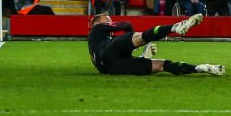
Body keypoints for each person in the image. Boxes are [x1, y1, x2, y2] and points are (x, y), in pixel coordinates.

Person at [88, 13, 223, 76]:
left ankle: (200, 68)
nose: (110, 23)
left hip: (110, 69)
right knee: (141, 36)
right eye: (108, 22)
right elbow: (126, 25)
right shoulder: (97, 29)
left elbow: (118, 58)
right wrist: (133, 38)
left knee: (161, 65)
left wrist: (138, 51)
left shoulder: (97, 44)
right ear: (97, 23)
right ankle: (176, 27)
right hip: (110, 56)